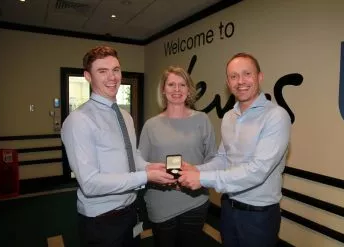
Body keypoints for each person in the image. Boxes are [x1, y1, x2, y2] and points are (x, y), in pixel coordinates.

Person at [61, 46, 176, 247]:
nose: (112, 77)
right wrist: (145, 177)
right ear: (88, 76)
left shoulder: (125, 115)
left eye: (115, 70)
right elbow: (89, 183)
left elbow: (132, 156)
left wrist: (149, 167)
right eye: (102, 71)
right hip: (102, 220)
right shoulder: (79, 120)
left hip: (130, 210)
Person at [178, 53, 291, 247]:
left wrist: (203, 179)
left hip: (259, 216)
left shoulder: (276, 116)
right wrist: (197, 170)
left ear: (259, 77)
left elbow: (258, 171)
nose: (240, 81)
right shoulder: (230, 116)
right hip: (229, 210)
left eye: (247, 74)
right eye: (233, 76)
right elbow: (223, 158)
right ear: (228, 82)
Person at [138, 66, 217, 247]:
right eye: (171, 84)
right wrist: (156, 174)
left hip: (195, 201)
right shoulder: (151, 125)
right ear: (163, 90)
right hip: (160, 202)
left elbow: (213, 158)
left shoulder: (202, 120)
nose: (176, 90)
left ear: (189, 90)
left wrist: (197, 173)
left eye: (182, 85)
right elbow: (141, 163)